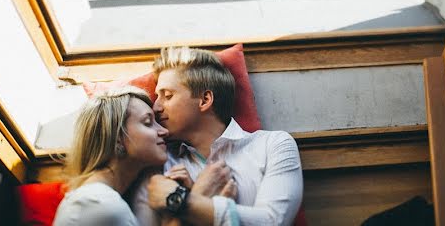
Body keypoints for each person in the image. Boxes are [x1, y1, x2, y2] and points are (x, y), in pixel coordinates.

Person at [130, 47, 303, 226]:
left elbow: (273, 222)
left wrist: (181, 201)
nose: (156, 107)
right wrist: (200, 194)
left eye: (167, 96)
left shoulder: (273, 146)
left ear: (205, 100)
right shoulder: (158, 164)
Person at [53, 86, 169, 226]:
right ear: (117, 138)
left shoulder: (101, 198)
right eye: (148, 123)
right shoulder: (99, 204)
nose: (164, 131)